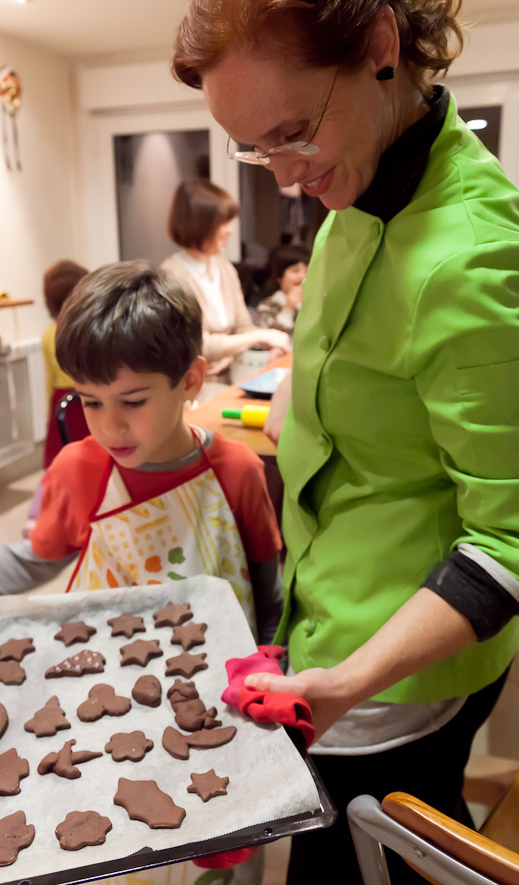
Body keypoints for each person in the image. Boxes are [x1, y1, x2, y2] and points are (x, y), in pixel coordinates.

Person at [171, 2, 519, 883]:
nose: (287, 177)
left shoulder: (474, 254)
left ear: (379, 48)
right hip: (329, 607)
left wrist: (350, 679)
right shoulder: (355, 184)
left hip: (394, 660)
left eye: (293, 133)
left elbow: (510, 539)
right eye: (259, 150)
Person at [0, 261, 283, 646]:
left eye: (132, 402)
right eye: (91, 402)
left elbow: (269, 600)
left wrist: (274, 665)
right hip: (106, 667)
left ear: (190, 381)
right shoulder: (78, 470)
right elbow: (30, 562)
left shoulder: (237, 471)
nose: (110, 428)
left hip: (221, 668)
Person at [161, 178, 291, 385]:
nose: (230, 230)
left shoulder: (225, 269)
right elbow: (194, 344)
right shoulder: (171, 276)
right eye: (223, 223)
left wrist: (262, 348)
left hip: (233, 377)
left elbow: (243, 328)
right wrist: (259, 337)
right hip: (195, 385)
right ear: (200, 225)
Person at [22, 259, 89, 537]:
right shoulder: (85, 330)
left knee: (58, 465)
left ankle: (37, 516)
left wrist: (51, 411)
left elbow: (49, 378)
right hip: (84, 401)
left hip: (60, 402)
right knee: (87, 461)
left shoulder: (48, 334)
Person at [254, 243, 310, 333]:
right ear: (279, 277)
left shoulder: (315, 303)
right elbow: (270, 336)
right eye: (295, 271)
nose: (303, 276)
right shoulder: (268, 305)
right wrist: (288, 308)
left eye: (307, 271)